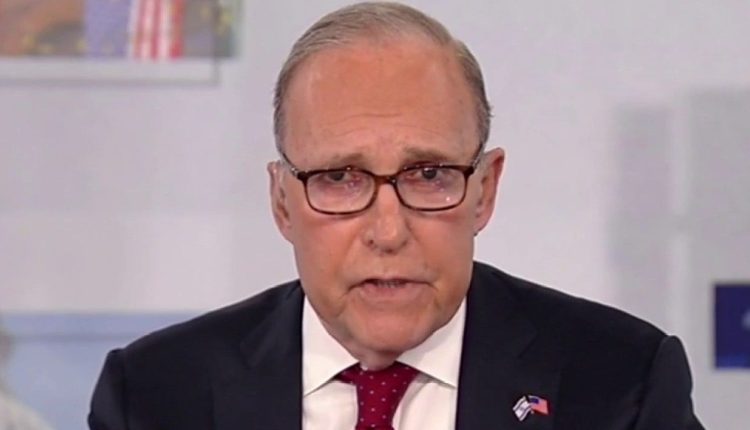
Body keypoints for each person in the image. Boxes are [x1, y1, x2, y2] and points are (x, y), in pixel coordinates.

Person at [88, 2, 704, 429]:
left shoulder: (620, 384)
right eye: (339, 178)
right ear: (282, 202)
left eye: (429, 175)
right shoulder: (156, 396)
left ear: (484, 190)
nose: (388, 231)